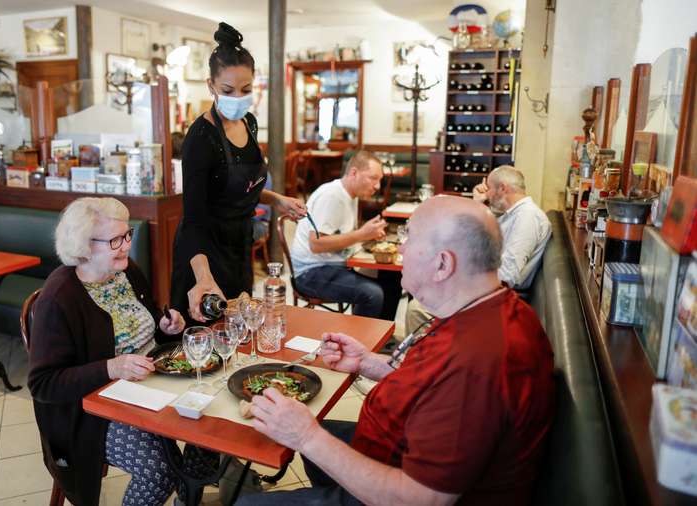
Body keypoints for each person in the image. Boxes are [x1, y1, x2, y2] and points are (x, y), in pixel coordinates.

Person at [237, 196, 555, 506]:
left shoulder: (478, 363)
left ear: (443, 263)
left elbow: (419, 498)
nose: (400, 248)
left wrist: (306, 436)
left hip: (401, 490)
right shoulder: (488, 308)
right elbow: (434, 385)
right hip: (397, 446)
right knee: (315, 436)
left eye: (408, 238)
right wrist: (369, 363)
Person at [28, 198, 210, 506]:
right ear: (83, 245)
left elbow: (145, 318)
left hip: (151, 382)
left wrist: (164, 325)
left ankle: (188, 496)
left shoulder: (125, 272)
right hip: (94, 411)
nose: (125, 246)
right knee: (158, 471)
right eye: (115, 240)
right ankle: (180, 482)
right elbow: (43, 384)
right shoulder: (59, 298)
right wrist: (111, 368)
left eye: (127, 236)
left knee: (209, 427)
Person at [171, 22, 305, 324]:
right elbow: (194, 219)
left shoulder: (250, 123)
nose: (238, 97)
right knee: (206, 335)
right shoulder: (200, 139)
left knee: (241, 326)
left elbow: (241, 188)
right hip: (203, 251)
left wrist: (276, 200)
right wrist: (204, 278)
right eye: (228, 90)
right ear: (210, 86)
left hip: (239, 243)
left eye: (246, 90)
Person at [406, 165, 552, 335]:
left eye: (488, 189)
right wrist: (477, 204)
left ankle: (429, 360)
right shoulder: (511, 214)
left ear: (502, 188)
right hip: (487, 292)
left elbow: (509, 275)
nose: (487, 195)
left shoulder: (528, 217)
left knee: (417, 309)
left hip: (494, 299)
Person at [289, 150, 402, 320]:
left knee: (392, 276)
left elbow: (342, 235)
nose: (378, 186)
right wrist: (361, 234)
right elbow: (316, 244)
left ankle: (382, 337)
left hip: (333, 264)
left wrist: (368, 235)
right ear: (354, 173)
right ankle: (359, 341)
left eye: (380, 180)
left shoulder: (351, 195)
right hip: (310, 272)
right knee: (372, 294)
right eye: (373, 178)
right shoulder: (332, 196)